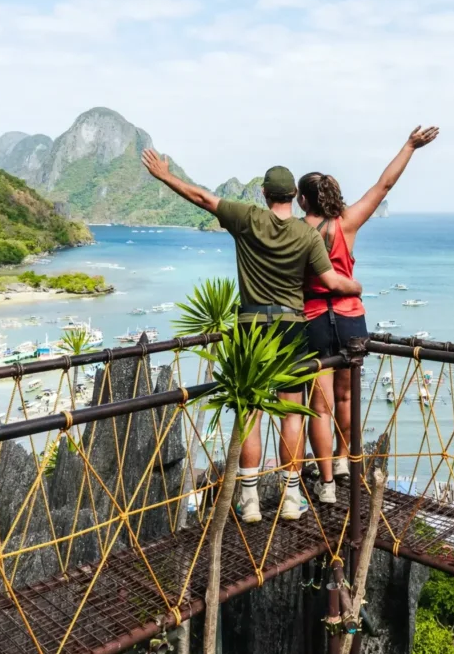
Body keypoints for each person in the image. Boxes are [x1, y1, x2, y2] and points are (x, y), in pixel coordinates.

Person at [141, 149, 362, 522]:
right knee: (291, 413)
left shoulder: (246, 218)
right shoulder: (307, 234)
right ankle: (291, 498)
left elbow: (202, 198)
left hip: (251, 327)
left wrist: (165, 175)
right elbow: (330, 281)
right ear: (294, 196)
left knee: (250, 413)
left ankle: (250, 501)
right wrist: (354, 287)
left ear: (263, 193)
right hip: (291, 328)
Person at [298, 125, 439, 504]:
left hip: (312, 318)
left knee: (319, 407)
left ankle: (327, 483)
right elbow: (384, 185)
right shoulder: (347, 222)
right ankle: (344, 460)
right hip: (350, 319)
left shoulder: (296, 232)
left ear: (302, 199)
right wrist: (410, 146)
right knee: (347, 398)